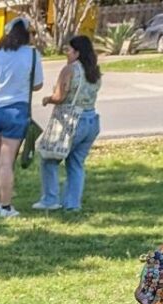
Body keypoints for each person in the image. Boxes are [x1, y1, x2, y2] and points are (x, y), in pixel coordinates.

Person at [0, 19, 42, 218]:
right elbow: (37, 84)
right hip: (17, 110)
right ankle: (6, 207)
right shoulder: (32, 55)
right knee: (6, 162)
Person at [36, 35, 102, 213]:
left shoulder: (70, 70)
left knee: (49, 159)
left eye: (69, 50)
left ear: (77, 52)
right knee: (76, 163)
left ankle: (50, 199)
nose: (67, 53)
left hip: (71, 120)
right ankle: (72, 204)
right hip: (91, 119)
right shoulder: (94, 72)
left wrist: (48, 99)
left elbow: (60, 96)